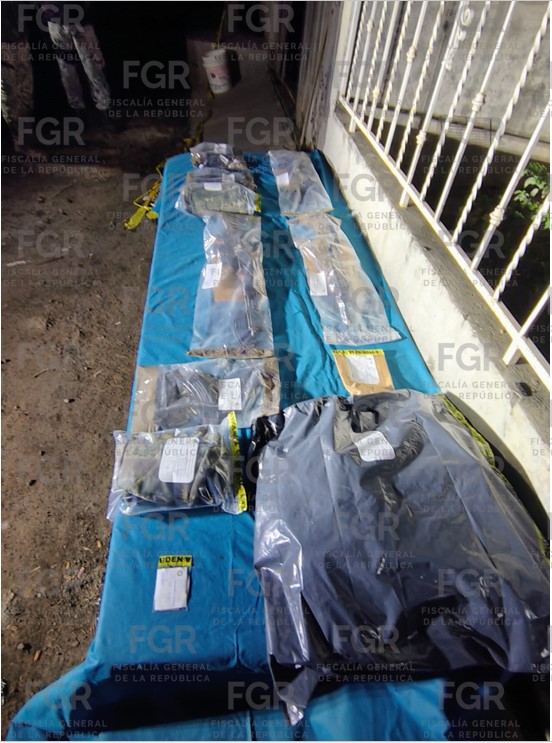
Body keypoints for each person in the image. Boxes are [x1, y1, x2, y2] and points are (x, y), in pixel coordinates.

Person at [40, 1, 114, 127]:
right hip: (55, 22)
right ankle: (78, 112)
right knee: (67, 71)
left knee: (92, 67)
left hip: (79, 19)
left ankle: (105, 110)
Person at [1, 2, 35, 150]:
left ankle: (24, 141)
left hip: (20, 39)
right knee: (10, 95)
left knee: (25, 91)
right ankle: (18, 143)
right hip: (3, 43)